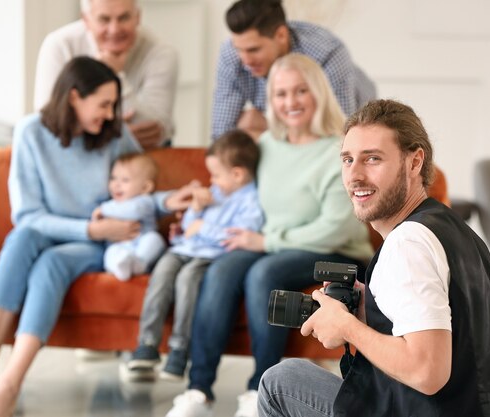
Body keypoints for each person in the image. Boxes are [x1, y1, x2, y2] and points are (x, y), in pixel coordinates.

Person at [258, 99, 490, 417]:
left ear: (414, 162)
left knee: (279, 382)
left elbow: (426, 372)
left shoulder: (408, 244)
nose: (354, 176)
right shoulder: (454, 231)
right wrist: (372, 310)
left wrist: (347, 326)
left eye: (372, 159)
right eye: (347, 160)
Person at [0, 56, 188, 417]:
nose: (110, 112)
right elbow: (27, 216)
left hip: (97, 244)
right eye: (103, 103)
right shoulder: (31, 132)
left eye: (114, 104)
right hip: (60, 230)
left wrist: (168, 202)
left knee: (50, 264)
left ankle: (9, 383)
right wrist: (89, 226)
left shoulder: (114, 134)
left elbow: (139, 188)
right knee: (20, 239)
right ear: (73, 98)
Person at [166, 53, 373, 417]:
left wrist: (266, 241)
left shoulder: (338, 149)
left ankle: (257, 388)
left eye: (300, 91)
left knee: (264, 272)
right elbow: (234, 194)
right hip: (269, 246)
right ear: (270, 101)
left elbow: (337, 226)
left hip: (334, 252)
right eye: (280, 94)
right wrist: (196, 217)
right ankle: (198, 390)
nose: (290, 102)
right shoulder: (264, 147)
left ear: (318, 93)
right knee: (223, 270)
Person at [126, 129, 265, 381]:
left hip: (210, 257)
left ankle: (180, 348)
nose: (211, 180)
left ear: (237, 174)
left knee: (187, 280)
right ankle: (147, 343)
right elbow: (189, 228)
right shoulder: (216, 191)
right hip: (183, 249)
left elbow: (237, 237)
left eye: (216, 175)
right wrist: (195, 211)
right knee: (162, 274)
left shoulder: (251, 202)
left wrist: (203, 227)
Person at [211, 0, 376, 141]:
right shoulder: (232, 54)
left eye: (254, 50)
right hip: (286, 121)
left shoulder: (328, 53)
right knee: (246, 124)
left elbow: (339, 134)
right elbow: (221, 135)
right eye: (239, 49)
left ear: (281, 35)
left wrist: (263, 124)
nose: (245, 60)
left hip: (353, 120)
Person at [34, 0, 178, 149]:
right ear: (86, 20)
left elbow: (154, 131)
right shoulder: (59, 45)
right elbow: (49, 120)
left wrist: (116, 75)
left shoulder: (161, 54)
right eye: (104, 19)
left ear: (138, 17)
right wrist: (116, 135)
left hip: (141, 156)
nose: (114, 30)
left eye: (124, 18)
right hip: (74, 149)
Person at [95, 153, 166, 281]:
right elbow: (98, 223)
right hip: (120, 246)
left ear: (145, 187)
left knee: (155, 239)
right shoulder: (111, 203)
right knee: (111, 252)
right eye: (113, 178)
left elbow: (133, 211)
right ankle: (120, 267)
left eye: (125, 180)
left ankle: (139, 264)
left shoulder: (145, 201)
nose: (116, 184)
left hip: (141, 245)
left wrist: (104, 210)